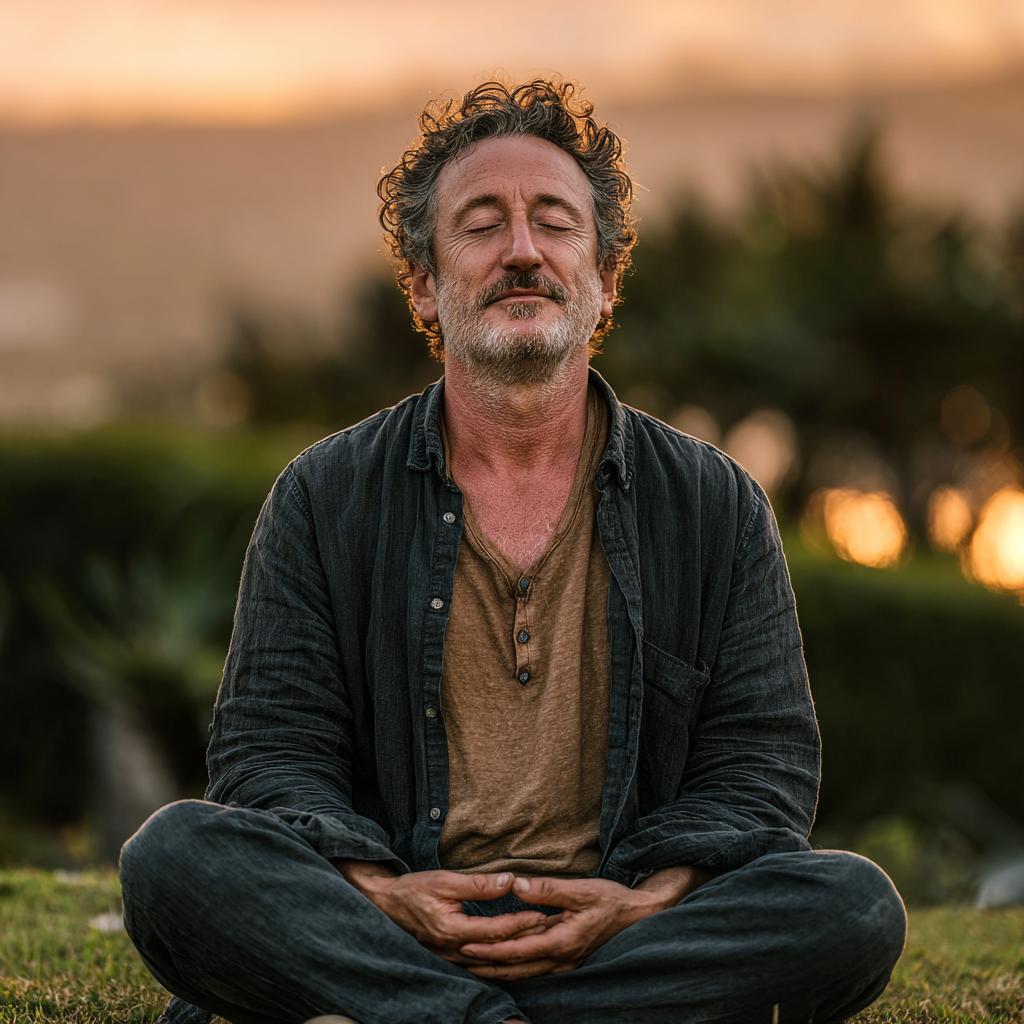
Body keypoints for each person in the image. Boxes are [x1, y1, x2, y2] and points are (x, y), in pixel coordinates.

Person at [119, 79, 907, 1024]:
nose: (523, 251)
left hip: (617, 934)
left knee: (854, 908)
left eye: (555, 223)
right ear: (425, 280)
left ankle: (408, 1013)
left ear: (605, 275)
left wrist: (640, 904)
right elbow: (267, 756)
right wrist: (382, 892)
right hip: (395, 925)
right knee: (172, 859)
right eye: (482, 223)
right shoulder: (324, 495)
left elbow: (762, 767)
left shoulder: (714, 504)